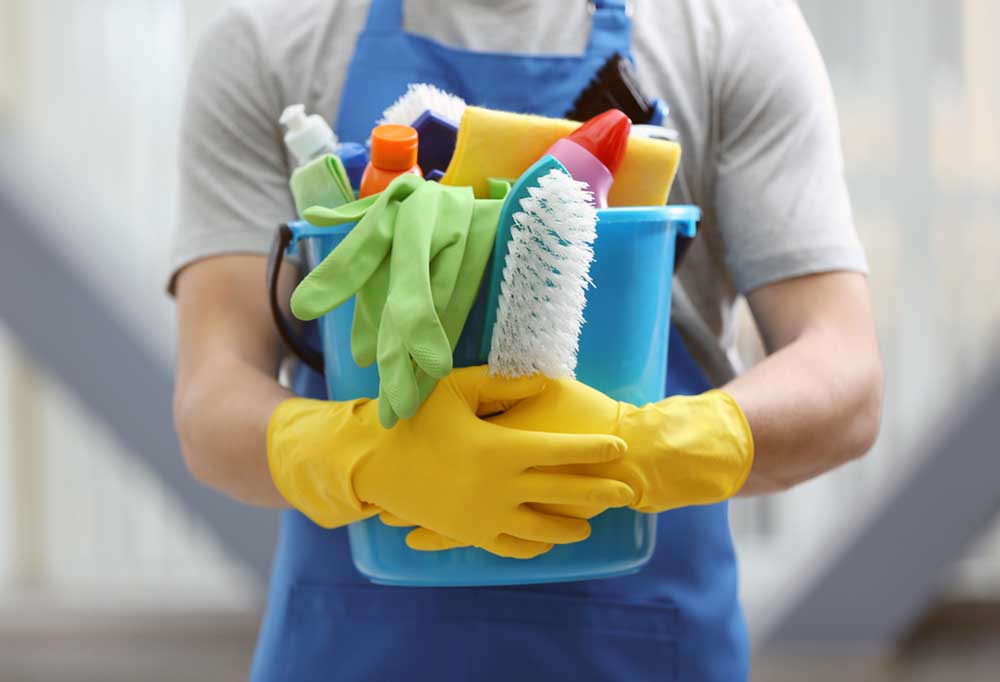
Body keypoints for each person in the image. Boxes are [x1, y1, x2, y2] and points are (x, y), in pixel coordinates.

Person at [169, 0, 883, 679]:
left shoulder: (727, 29)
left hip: (640, 652)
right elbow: (213, 399)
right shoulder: (269, 44)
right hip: (354, 649)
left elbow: (843, 373)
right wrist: (354, 456)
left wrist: (647, 448)